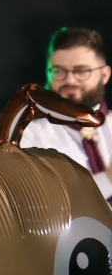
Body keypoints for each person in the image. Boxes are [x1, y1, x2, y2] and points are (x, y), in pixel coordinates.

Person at [20, 26, 112, 202]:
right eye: (59, 71)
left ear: (104, 74)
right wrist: (108, 180)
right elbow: (44, 203)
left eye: (82, 71)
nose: (69, 79)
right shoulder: (28, 135)